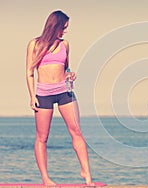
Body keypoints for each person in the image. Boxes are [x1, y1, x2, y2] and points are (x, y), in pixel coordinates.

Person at [26, 10, 94, 186]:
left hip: (65, 92)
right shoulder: (34, 44)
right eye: (63, 28)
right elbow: (29, 73)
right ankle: (46, 178)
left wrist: (70, 74)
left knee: (77, 131)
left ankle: (86, 174)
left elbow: (66, 68)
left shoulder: (65, 45)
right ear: (54, 26)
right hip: (43, 95)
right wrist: (32, 96)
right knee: (42, 137)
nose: (65, 31)